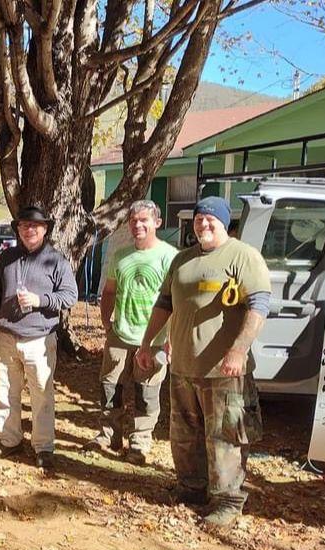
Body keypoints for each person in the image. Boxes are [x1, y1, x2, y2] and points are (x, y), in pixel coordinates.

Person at [134, 196, 270, 532]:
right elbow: (164, 304)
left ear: (225, 223)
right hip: (183, 366)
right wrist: (148, 342)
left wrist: (239, 350)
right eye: (199, 219)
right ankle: (191, 488)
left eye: (211, 220)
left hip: (224, 371)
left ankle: (227, 500)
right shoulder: (182, 259)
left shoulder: (243, 256)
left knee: (226, 436)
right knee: (183, 434)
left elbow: (259, 306)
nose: (203, 225)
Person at [0, 206, 77, 470]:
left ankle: (44, 447)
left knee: (42, 395)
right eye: (24, 226)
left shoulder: (56, 260)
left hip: (39, 338)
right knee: (5, 390)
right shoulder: (8, 257)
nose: (29, 230)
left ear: (45, 229)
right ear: (18, 230)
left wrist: (41, 300)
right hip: (7, 336)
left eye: (35, 226)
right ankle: (9, 440)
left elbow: (70, 296)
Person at [85, 200, 178, 465]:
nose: (138, 225)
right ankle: (108, 435)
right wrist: (106, 322)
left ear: (157, 223)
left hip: (156, 339)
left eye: (144, 220)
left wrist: (169, 340)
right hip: (120, 334)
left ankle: (139, 443)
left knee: (146, 393)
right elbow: (110, 291)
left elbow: (176, 303)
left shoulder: (169, 256)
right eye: (133, 220)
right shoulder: (121, 255)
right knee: (109, 386)